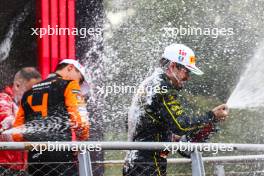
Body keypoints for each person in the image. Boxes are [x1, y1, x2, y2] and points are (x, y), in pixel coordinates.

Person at [123, 44, 229, 176]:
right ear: (173, 66)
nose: (188, 78)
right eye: (187, 71)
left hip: (138, 162)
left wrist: (171, 137)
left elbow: (141, 124)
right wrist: (212, 115)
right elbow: (181, 125)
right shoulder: (161, 87)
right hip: (147, 164)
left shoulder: (152, 82)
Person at [13, 59, 90, 176]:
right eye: (80, 79)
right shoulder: (70, 85)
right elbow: (80, 123)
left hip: (35, 162)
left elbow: (17, 135)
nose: (79, 83)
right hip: (61, 159)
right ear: (70, 68)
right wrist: (81, 140)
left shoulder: (28, 93)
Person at [0, 67, 41, 175]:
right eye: (30, 90)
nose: (33, 95)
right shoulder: (4, 99)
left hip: (18, 168)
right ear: (17, 85)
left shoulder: (22, 105)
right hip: (4, 167)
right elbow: (6, 120)